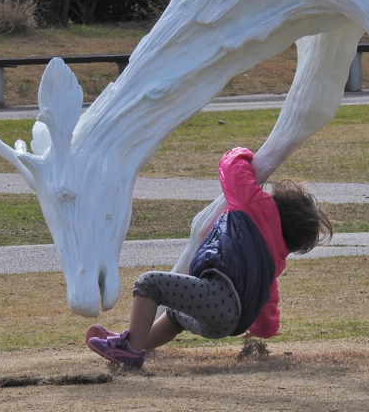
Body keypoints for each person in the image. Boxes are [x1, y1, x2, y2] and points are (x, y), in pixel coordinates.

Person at [85, 146, 333, 368]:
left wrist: (242, 153)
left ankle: (129, 350)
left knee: (149, 283)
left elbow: (231, 169)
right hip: (226, 324)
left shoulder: (259, 208)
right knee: (174, 315)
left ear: (278, 205)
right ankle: (132, 344)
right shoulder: (275, 258)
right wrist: (263, 330)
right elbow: (269, 301)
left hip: (218, 298)